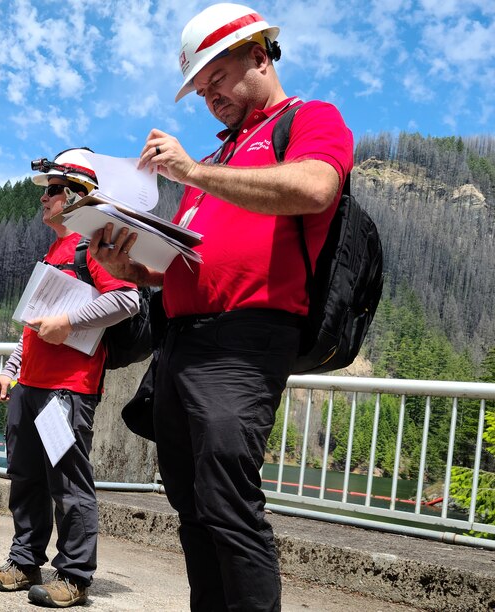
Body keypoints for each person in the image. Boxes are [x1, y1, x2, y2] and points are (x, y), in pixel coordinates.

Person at [92, 4, 353, 610]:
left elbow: (317, 187)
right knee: (191, 506)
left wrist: (191, 173)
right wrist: (131, 268)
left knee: (229, 504)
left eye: (218, 80)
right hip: (181, 344)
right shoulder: (212, 162)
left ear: (260, 55)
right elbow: (189, 264)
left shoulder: (307, 119)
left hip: (245, 339)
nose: (211, 99)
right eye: (201, 90)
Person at [0, 149, 138, 608]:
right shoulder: (54, 250)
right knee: (26, 477)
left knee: (69, 483)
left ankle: (74, 575)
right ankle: (25, 561)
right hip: (30, 385)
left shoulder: (96, 246)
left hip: (68, 387)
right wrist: (12, 369)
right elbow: (34, 321)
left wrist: (69, 321)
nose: (44, 200)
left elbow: (127, 301)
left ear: (76, 197)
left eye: (52, 191)